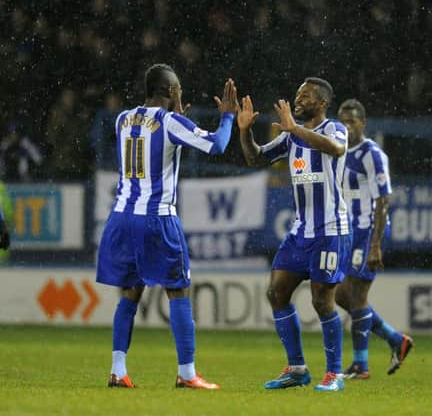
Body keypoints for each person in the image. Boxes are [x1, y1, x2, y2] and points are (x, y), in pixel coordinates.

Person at [96, 63, 238, 389]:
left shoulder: (122, 119)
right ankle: (187, 373)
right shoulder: (170, 121)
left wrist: (179, 121)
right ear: (172, 91)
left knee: (130, 292)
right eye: (179, 90)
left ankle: (118, 370)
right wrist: (227, 116)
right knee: (178, 289)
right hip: (156, 216)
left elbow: (150, 146)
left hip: (121, 216)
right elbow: (217, 145)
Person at [237, 78, 350, 392]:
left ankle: (335, 374)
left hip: (330, 229)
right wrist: (245, 131)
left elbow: (337, 149)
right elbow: (254, 157)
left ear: (322, 102)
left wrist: (294, 129)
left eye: (306, 95)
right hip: (301, 230)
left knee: (321, 300)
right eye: (298, 94)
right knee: (276, 292)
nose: (298, 99)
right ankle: (298, 368)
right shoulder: (290, 138)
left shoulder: (333, 128)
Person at [334, 99, 413, 379]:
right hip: (348, 232)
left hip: (369, 232)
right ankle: (395, 339)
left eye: (352, 121)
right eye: (342, 121)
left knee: (357, 295)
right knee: (341, 294)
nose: (347, 126)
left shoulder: (372, 154)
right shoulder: (338, 152)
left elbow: (383, 199)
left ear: (363, 123)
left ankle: (360, 365)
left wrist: (376, 243)